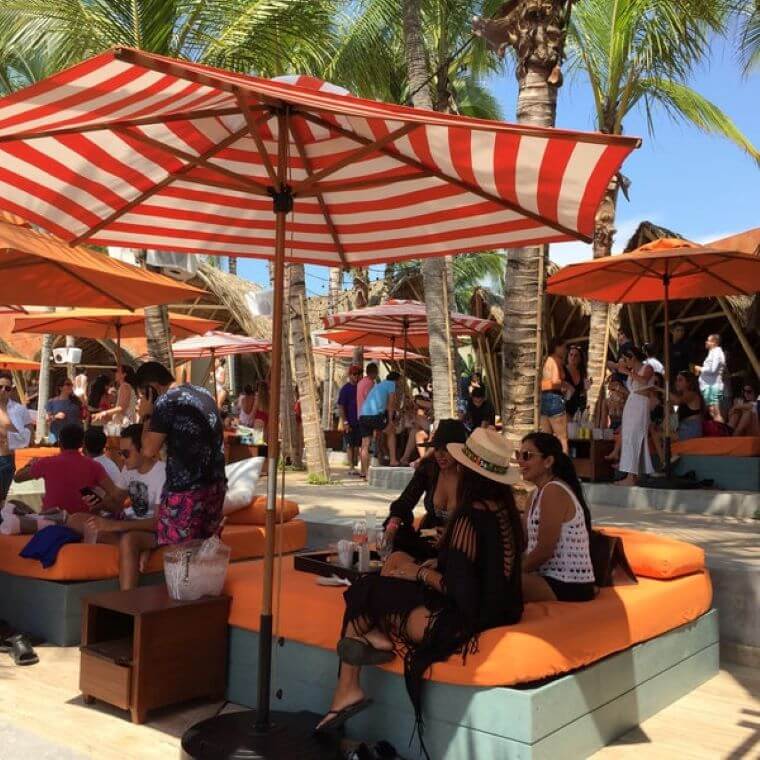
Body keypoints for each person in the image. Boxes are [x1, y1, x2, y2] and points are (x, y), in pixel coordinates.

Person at [316, 428, 523, 753]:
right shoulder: (504, 511)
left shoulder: (471, 515)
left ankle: (349, 683)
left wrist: (418, 573)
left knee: (368, 586)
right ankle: (367, 648)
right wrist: (425, 566)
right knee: (390, 573)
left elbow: (461, 593)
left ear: (470, 470)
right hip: (497, 610)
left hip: (461, 621)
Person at [135, 361, 226, 548]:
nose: (142, 400)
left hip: (186, 490)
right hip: (215, 485)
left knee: (181, 553)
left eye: (142, 395)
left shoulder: (165, 401)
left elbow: (148, 450)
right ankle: (206, 578)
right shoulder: (204, 393)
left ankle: (186, 579)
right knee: (206, 548)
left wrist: (146, 415)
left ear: (150, 389)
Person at [70, 424, 167, 590]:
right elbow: (115, 505)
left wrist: (114, 525)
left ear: (143, 449)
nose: (122, 457)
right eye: (120, 453)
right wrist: (98, 503)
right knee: (75, 519)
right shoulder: (128, 470)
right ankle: (140, 551)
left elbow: (158, 523)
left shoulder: (163, 473)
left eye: (126, 453)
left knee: (129, 539)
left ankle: (126, 601)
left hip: (153, 532)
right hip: (128, 525)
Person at [518, 432, 595, 602]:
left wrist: (515, 571)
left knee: (504, 582)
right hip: (546, 577)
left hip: (569, 582)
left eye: (527, 456)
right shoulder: (534, 494)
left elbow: (544, 550)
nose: (520, 461)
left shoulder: (554, 491)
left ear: (548, 461)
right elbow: (524, 540)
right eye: (518, 455)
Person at [383, 419, 468, 560]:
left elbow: (478, 520)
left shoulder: (469, 477)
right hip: (429, 537)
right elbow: (406, 500)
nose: (440, 455)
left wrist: (451, 534)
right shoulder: (429, 469)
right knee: (394, 528)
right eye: (437, 449)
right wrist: (392, 526)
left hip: (460, 541)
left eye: (446, 450)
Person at [14, 423, 118, 514]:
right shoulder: (94, 466)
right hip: (83, 519)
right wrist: (98, 503)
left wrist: (30, 464)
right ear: (82, 444)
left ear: (59, 442)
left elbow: (17, 478)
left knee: (13, 504)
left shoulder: (46, 463)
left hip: (53, 519)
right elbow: (116, 495)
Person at [615, 346, 654, 486]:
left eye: (626, 359)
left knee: (635, 436)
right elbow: (633, 389)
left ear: (633, 356)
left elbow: (643, 381)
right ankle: (631, 475)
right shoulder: (632, 371)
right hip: (631, 405)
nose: (626, 362)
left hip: (641, 405)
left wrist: (626, 371)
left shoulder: (647, 368)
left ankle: (631, 476)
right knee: (628, 437)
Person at [358, 371, 401, 474]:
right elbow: (391, 404)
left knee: (365, 444)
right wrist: (390, 421)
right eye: (400, 381)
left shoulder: (380, 385)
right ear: (397, 380)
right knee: (391, 431)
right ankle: (393, 460)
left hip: (363, 415)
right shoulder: (391, 384)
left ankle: (364, 472)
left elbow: (383, 403)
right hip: (375, 415)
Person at [0, 373, 32, 501]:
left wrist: (7, 429)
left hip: (8, 459)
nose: (3, 390)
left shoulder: (19, 409)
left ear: (11, 390)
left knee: (2, 500)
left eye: (7, 388)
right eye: (0, 386)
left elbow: (28, 437)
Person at [539, 338, 569, 453]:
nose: (565, 351)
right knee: (562, 437)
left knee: (546, 437)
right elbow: (555, 381)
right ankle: (564, 464)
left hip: (544, 398)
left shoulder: (547, 360)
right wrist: (564, 384)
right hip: (554, 398)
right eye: (564, 348)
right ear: (557, 347)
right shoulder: (555, 360)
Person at [695, 334, 726, 422]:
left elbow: (713, 369)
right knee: (712, 411)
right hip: (709, 386)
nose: (706, 342)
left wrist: (699, 368)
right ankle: (721, 432)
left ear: (714, 342)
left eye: (708, 340)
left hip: (714, 386)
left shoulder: (717, 353)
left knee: (716, 412)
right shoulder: (712, 352)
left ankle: (723, 433)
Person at [337, 365, 362, 475]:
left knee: (358, 445)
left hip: (360, 421)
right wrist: (345, 422)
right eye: (354, 374)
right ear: (350, 375)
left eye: (358, 374)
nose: (356, 376)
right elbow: (341, 406)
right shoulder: (345, 389)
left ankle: (356, 465)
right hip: (349, 422)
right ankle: (351, 466)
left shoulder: (361, 387)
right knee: (349, 445)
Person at [672, 370, 705, 441]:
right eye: (676, 380)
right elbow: (674, 418)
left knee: (659, 436)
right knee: (660, 434)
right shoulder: (679, 398)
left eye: (680, 380)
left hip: (692, 427)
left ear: (689, 382)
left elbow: (678, 400)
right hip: (682, 427)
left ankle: (661, 452)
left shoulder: (693, 394)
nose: (677, 383)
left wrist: (662, 391)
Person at [45, 378, 80, 443]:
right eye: (68, 384)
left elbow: (83, 416)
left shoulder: (76, 401)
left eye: (71, 384)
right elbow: (47, 419)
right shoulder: (52, 402)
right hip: (56, 437)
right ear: (60, 388)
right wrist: (56, 416)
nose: (71, 386)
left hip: (73, 437)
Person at [564, 344, 592, 419]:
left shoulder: (582, 373)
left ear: (580, 359)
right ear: (567, 356)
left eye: (576, 356)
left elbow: (584, 394)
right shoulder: (562, 370)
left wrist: (587, 389)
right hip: (563, 408)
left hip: (577, 409)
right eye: (571, 355)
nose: (573, 357)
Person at [355, 362, 378, 427]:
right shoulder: (370, 383)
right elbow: (372, 401)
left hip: (360, 415)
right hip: (368, 415)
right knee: (369, 436)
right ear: (374, 372)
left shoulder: (361, 382)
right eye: (376, 372)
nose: (377, 374)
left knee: (364, 436)